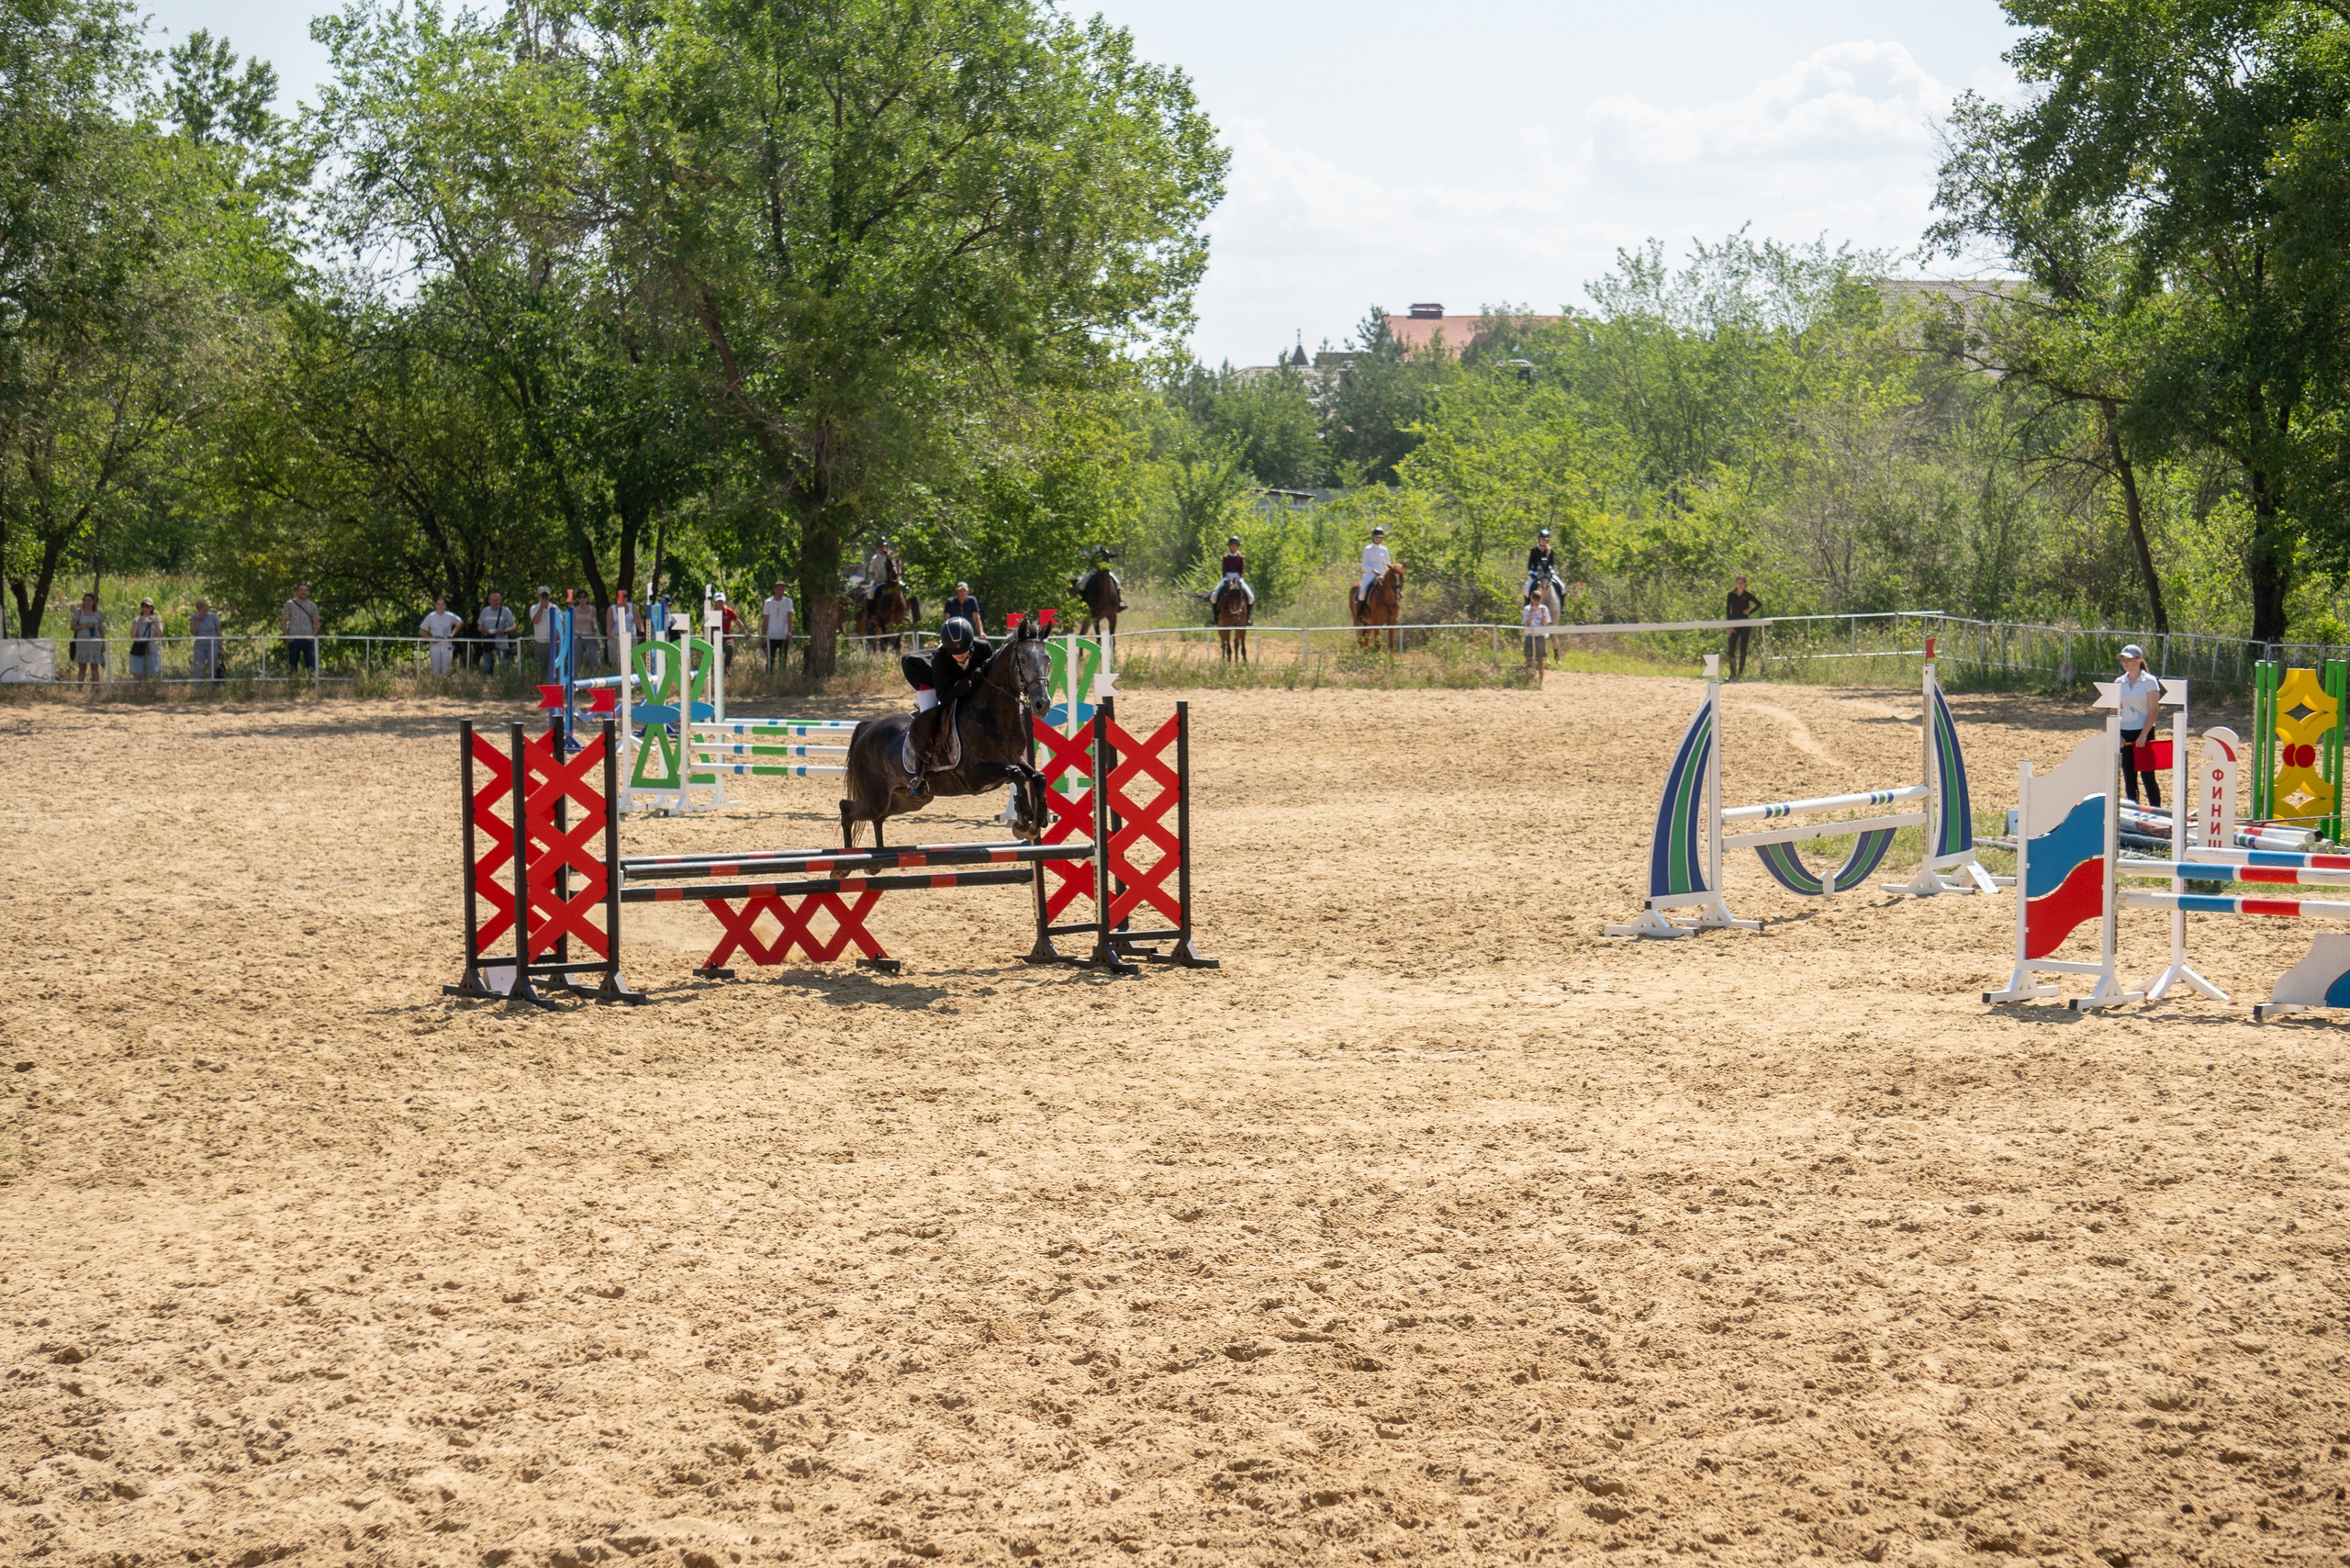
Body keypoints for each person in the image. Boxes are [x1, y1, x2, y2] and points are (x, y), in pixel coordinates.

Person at [898, 615, 991, 790]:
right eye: (955, 654)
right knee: (928, 720)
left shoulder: (983, 648)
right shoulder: (940, 659)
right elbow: (945, 695)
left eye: (963, 652)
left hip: (965, 685)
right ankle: (919, 775)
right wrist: (968, 683)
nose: (960, 656)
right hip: (934, 684)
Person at [2115, 644, 2164, 809]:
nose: (2125, 663)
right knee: (2129, 777)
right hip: (2124, 733)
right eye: (2123, 659)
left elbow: (2153, 709)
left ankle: (2157, 812)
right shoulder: (2118, 682)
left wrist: (2144, 734)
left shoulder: (2150, 682)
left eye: (2128, 659)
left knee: (2148, 776)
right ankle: (2133, 812)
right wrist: (2118, 735)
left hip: (2145, 732)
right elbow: (2114, 711)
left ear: (2139, 660)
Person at [1723, 575, 1763, 679]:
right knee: (1731, 649)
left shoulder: (1747, 595)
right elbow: (1728, 610)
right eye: (1738, 583)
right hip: (1734, 624)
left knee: (1743, 649)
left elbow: (1759, 604)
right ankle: (1732, 674)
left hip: (1745, 623)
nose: (1740, 585)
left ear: (1745, 584)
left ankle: (1741, 673)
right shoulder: (1731, 595)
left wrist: (1750, 612)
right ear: (1736, 584)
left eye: (1742, 583)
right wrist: (1730, 625)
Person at [282, 584, 321, 675]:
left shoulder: (312, 605)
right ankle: (292, 683)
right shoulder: (290, 604)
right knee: (292, 665)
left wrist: (312, 636)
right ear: (297, 592)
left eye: (305, 590)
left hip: (308, 638)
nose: (303, 592)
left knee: (311, 665)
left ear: (308, 592)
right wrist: (287, 636)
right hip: (294, 638)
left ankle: (312, 684)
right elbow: (283, 621)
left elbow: (317, 623)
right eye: (301, 590)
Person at [68, 592, 106, 685]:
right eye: (85, 600)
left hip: (95, 643)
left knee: (94, 667)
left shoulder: (98, 614)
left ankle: (96, 688)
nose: (87, 602)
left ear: (93, 602)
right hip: (82, 643)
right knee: (82, 667)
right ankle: (79, 689)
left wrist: (103, 643)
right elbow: (73, 627)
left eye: (89, 600)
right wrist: (85, 626)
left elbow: (101, 629)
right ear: (83, 602)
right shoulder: (78, 614)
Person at [420, 597, 463, 676]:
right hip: (435, 642)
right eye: (438, 604)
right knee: (435, 668)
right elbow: (421, 630)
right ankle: (435, 684)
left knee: (446, 668)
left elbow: (460, 623)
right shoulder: (431, 616)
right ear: (435, 605)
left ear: (445, 606)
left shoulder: (450, 616)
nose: (440, 606)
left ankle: (445, 684)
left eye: (442, 604)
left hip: (446, 642)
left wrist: (452, 635)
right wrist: (430, 639)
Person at [477, 590, 515, 671]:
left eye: (497, 600)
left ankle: (504, 682)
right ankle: (488, 682)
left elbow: (514, 626)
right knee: (488, 666)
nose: (495, 602)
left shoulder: (506, 611)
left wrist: (504, 631)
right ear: (489, 601)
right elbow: (479, 627)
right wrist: (485, 631)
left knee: (504, 667)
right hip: (489, 643)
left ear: (500, 600)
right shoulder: (485, 611)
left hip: (502, 643)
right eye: (493, 600)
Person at [760, 580, 794, 668]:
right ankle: (769, 678)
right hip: (771, 635)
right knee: (770, 660)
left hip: (784, 635)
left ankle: (782, 678)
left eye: (783, 590)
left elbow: (790, 618)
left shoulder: (788, 602)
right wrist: (763, 637)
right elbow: (765, 621)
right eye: (779, 590)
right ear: (774, 590)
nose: (781, 592)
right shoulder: (768, 602)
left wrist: (789, 632)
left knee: (783, 661)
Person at [129, 599, 162, 683]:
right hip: (139, 649)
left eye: (147, 606)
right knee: (137, 674)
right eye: (143, 606)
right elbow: (133, 635)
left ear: (151, 608)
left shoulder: (157, 620)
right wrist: (138, 623)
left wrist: (155, 624)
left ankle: (149, 693)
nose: (145, 608)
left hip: (152, 649)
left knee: (152, 674)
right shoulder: (136, 620)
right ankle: (136, 694)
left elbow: (161, 635)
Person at [1214, 535, 1254, 610]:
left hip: (1238, 577)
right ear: (1229, 546)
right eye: (1232, 546)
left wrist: (1240, 579)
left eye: (1235, 546)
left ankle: (1248, 618)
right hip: (1227, 577)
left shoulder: (1240, 558)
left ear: (1237, 547)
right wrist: (1226, 579)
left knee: (1251, 597)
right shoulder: (1225, 557)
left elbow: (1241, 570)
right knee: (1213, 596)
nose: (1233, 547)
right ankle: (1216, 617)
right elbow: (1224, 570)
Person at [1522, 588, 1551, 680]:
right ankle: (1527, 677)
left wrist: (1543, 615)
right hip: (1530, 634)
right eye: (1535, 600)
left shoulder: (1544, 608)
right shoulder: (1527, 608)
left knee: (1540, 658)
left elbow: (1545, 624)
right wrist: (1531, 612)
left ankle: (1541, 679)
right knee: (1528, 657)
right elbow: (1526, 623)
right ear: (1532, 599)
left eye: (1538, 600)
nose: (1536, 602)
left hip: (1540, 635)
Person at [190, 599, 223, 683]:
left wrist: (221, 648)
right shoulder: (194, 617)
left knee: (212, 667)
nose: (200, 609)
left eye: (202, 606)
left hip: (213, 645)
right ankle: (197, 688)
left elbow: (219, 632)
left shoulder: (213, 617)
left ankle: (211, 688)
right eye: (198, 607)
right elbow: (192, 632)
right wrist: (199, 620)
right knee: (198, 667)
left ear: (206, 607)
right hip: (200, 646)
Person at [1359, 526, 1391, 608]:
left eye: (1380, 538)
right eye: (1377, 537)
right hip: (1370, 574)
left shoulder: (1384, 550)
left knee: (1392, 591)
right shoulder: (1367, 549)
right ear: (1373, 537)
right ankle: (1360, 613)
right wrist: (1372, 570)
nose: (1378, 539)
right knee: (1362, 592)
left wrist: (1389, 574)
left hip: (1381, 575)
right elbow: (1364, 565)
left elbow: (1387, 564)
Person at [1525, 527, 1560, 599]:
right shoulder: (1534, 550)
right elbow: (1530, 565)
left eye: (1545, 540)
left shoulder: (1550, 551)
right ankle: (1527, 603)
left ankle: (1561, 607)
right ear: (1539, 539)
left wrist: (1551, 572)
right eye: (1542, 539)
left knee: (1562, 586)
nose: (1543, 541)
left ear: (1547, 541)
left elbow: (1552, 564)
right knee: (1527, 587)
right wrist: (1532, 573)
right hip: (1536, 574)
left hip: (1547, 575)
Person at [530, 587, 558, 676]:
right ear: (539, 596)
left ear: (550, 596)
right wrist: (542, 607)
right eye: (542, 595)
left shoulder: (555, 607)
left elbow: (561, 622)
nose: (544, 597)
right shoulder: (534, 608)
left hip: (554, 642)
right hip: (540, 642)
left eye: (546, 595)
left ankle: (555, 684)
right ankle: (540, 683)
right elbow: (535, 621)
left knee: (555, 667)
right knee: (539, 667)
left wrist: (558, 634)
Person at [712, 590, 744, 667]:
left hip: (726, 636)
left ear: (724, 601)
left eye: (721, 601)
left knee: (729, 647)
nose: (720, 603)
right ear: (715, 602)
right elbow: (705, 625)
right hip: (714, 637)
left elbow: (738, 622)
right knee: (715, 654)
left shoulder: (729, 612)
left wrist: (745, 632)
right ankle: (716, 671)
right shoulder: (711, 612)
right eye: (718, 601)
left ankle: (726, 669)